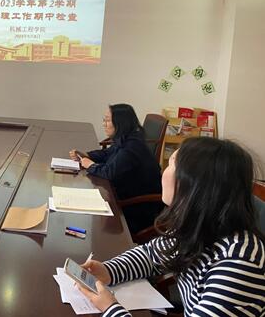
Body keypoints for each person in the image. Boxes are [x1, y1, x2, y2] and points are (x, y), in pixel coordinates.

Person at [76, 137, 265, 316]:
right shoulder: (200, 226)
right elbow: (150, 256)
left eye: (172, 164)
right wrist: (109, 271)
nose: (163, 171)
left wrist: (109, 308)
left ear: (194, 185)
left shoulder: (238, 264)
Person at [70, 104, 162, 233]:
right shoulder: (126, 138)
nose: (104, 124)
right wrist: (87, 155)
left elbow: (109, 172)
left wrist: (90, 165)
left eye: (107, 120)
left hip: (135, 208)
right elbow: (107, 153)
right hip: (124, 194)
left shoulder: (132, 147)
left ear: (120, 123)